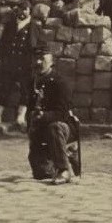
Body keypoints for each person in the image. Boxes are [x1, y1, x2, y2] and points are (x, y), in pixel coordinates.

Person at [26, 50, 79, 184]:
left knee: (54, 127)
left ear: (51, 62)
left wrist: (44, 115)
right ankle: (65, 153)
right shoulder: (32, 82)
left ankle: (64, 170)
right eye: (36, 58)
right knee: (41, 174)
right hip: (41, 129)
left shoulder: (61, 82)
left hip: (63, 127)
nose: (38, 62)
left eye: (43, 59)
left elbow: (62, 113)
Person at [0, 1, 36, 128]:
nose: (23, 12)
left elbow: (38, 46)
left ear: (30, 11)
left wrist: (35, 61)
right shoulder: (10, 25)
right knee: (4, 87)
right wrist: (3, 58)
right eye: (21, 9)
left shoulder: (33, 26)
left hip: (25, 64)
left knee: (25, 90)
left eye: (26, 9)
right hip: (10, 62)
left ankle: (20, 116)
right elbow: (3, 43)